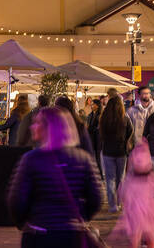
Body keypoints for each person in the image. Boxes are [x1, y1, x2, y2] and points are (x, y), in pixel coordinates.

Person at [7, 107, 102, 246]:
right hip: (72, 236)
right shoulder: (83, 159)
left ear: (48, 128)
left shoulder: (31, 159)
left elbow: (16, 201)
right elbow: (96, 198)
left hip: (39, 234)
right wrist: (80, 218)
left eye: (37, 123)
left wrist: (25, 223)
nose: (32, 126)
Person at [110, 140, 154, 248]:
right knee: (150, 238)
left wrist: (123, 202)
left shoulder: (129, 180)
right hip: (149, 213)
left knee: (134, 238)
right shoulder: (152, 178)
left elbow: (121, 193)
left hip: (134, 213)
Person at [99, 94, 134, 212]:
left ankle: (112, 205)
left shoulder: (104, 118)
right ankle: (119, 202)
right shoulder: (124, 118)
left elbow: (101, 133)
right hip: (121, 152)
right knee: (121, 179)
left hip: (108, 151)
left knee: (110, 179)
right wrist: (126, 141)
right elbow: (131, 130)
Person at [86, 98, 104, 177]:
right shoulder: (90, 115)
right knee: (92, 156)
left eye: (93, 104)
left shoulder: (101, 115)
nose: (91, 105)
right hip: (91, 138)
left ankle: (99, 174)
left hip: (98, 138)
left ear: (97, 106)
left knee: (97, 157)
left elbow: (99, 128)